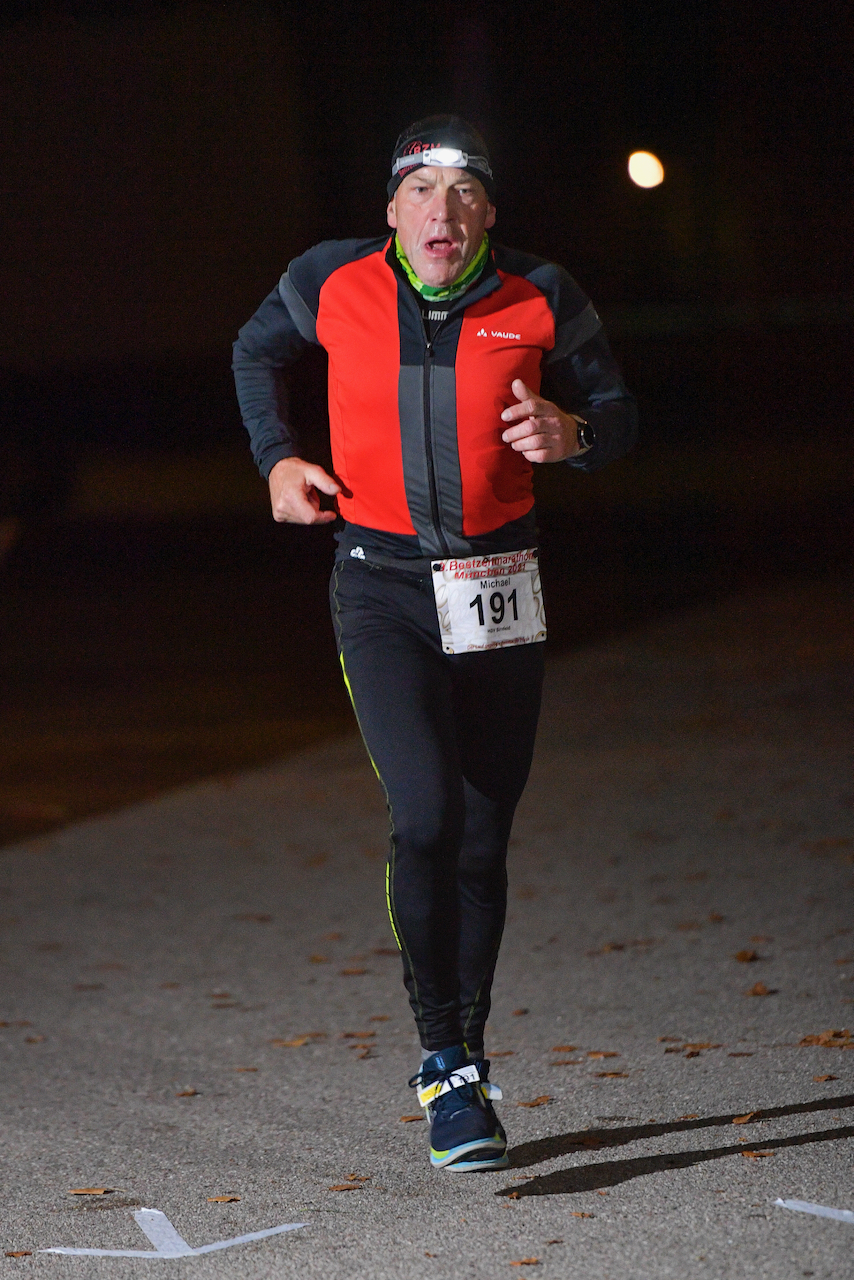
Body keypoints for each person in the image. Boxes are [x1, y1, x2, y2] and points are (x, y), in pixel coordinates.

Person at [233, 115, 637, 1171]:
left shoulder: (541, 295)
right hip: (378, 589)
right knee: (423, 814)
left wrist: (575, 435)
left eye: (463, 192)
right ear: (391, 210)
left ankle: (465, 1053)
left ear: (487, 213)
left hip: (498, 584)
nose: (441, 210)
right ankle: (440, 1061)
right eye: (422, 190)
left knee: (480, 833)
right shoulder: (328, 281)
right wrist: (278, 458)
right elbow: (253, 352)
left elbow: (615, 413)